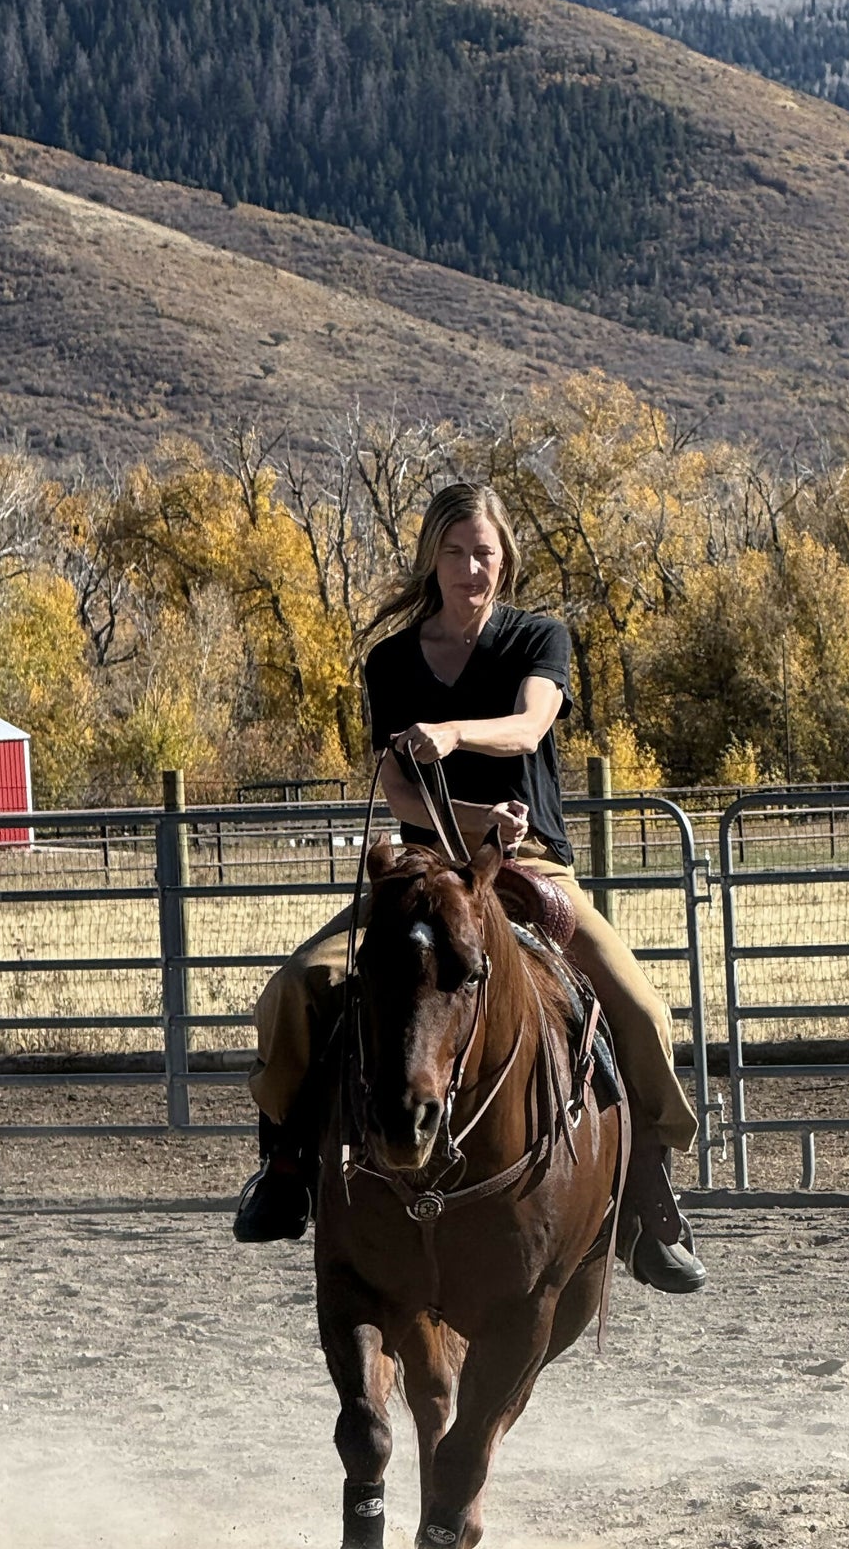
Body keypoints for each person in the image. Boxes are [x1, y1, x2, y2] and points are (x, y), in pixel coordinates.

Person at [233, 481, 706, 1293]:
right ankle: (285, 1163)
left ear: (504, 559)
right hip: (421, 874)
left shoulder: (537, 639)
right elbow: (397, 785)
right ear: (432, 560)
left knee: (641, 1008)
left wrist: (453, 737)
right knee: (296, 985)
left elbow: (529, 727)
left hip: (529, 867)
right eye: (454, 552)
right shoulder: (391, 661)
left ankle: (648, 1198)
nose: (470, 568)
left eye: (483, 552)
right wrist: (478, 813)